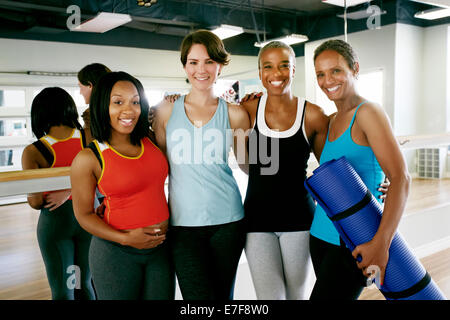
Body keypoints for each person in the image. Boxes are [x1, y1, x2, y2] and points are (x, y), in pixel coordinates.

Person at [309, 39, 411, 300]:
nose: (327, 80)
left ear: (354, 68)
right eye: (320, 73)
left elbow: (401, 178)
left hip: (356, 240)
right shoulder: (330, 121)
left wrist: (382, 243)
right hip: (320, 235)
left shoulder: (368, 112)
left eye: (336, 70)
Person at [152, 30, 250, 300]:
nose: (201, 70)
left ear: (220, 65)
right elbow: (157, 170)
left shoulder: (235, 113)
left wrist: (262, 111)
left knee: (222, 298)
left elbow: (248, 166)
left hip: (228, 221)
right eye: (193, 62)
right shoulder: (165, 111)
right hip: (183, 224)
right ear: (185, 66)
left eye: (209, 62)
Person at [70, 71, 175, 300]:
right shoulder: (89, 158)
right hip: (116, 253)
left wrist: (173, 101)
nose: (129, 110)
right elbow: (83, 215)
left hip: (161, 249)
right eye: (118, 102)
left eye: (135, 102)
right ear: (102, 106)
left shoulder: (152, 140)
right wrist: (126, 239)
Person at [240, 41, 329, 300]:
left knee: (296, 296)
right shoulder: (247, 111)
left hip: (299, 220)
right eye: (268, 66)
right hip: (257, 221)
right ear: (259, 73)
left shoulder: (313, 115)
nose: (276, 73)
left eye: (283, 65)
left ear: (293, 70)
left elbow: (331, 169)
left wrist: (377, 184)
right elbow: (246, 164)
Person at [21, 87, 95, 300]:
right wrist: (73, 188)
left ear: (39, 114)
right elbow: (104, 177)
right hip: (89, 219)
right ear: (69, 108)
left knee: (64, 290)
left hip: (56, 224)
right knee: (85, 285)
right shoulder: (88, 136)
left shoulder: (33, 151)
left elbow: (35, 201)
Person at [77, 63, 111, 144]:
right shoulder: (116, 109)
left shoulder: (92, 115)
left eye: (81, 87)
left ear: (90, 85)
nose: (80, 92)